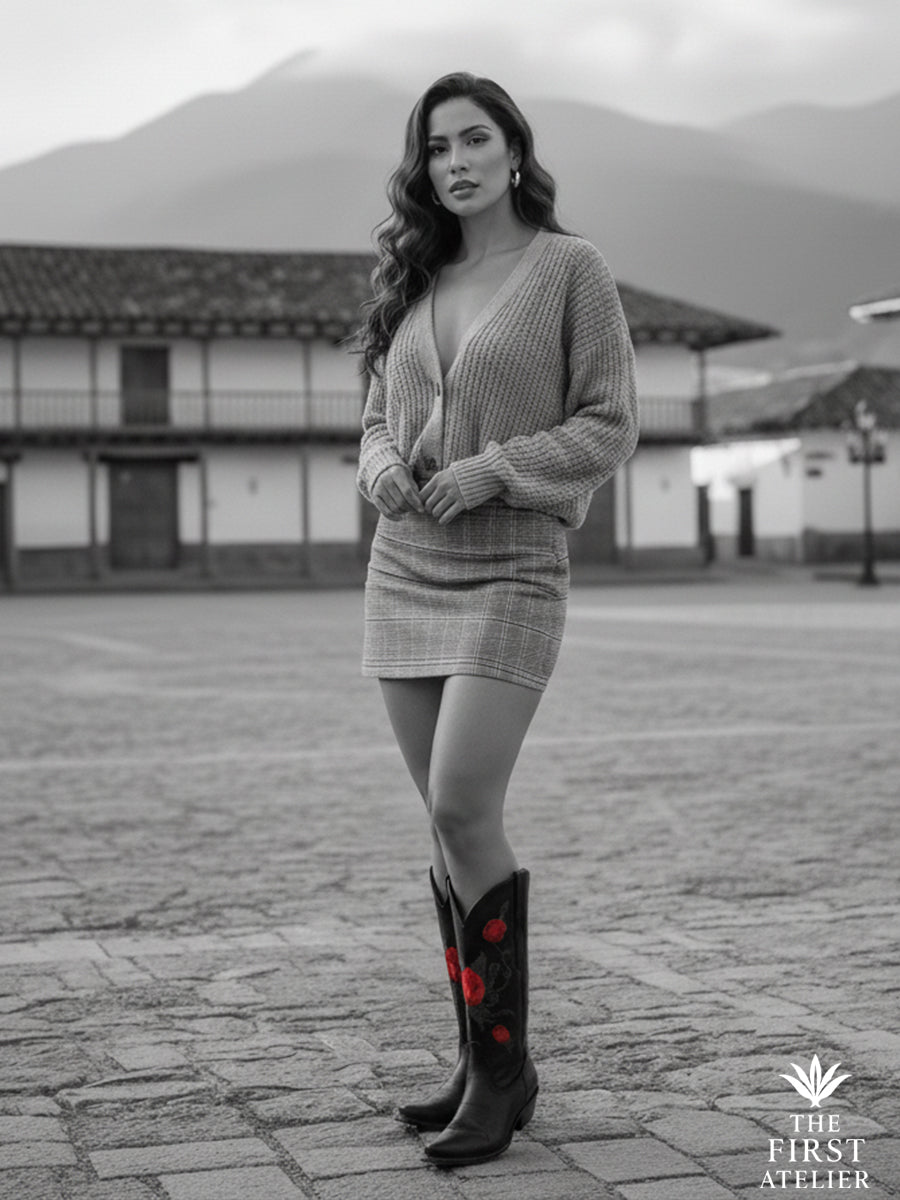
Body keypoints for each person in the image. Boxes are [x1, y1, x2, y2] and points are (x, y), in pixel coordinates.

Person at [355, 71, 639, 1167]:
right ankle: (483, 1062)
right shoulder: (418, 274)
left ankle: (509, 1066)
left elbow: (610, 422)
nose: (456, 162)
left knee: (467, 804)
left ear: (516, 153)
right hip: (404, 567)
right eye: (437, 148)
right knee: (439, 818)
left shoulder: (571, 269)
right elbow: (378, 414)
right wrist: (384, 467)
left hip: (513, 567)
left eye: (476, 140)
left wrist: (497, 469)